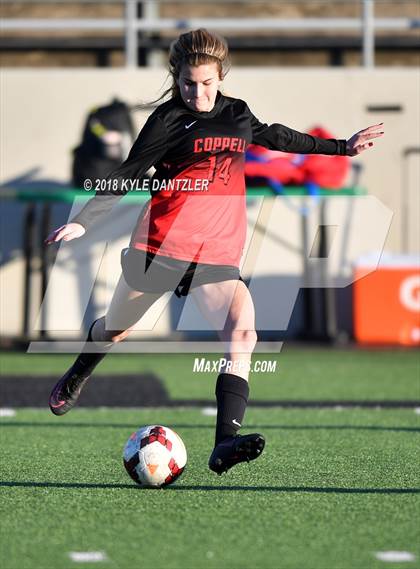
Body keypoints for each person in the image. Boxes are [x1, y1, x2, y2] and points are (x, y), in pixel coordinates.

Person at [45, 28, 384, 476]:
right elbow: (127, 174)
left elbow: (277, 137)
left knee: (244, 333)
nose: (198, 93)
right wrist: (83, 220)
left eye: (207, 83)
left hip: (216, 255)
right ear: (176, 77)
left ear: (221, 76)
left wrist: (341, 147)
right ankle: (80, 370)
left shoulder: (238, 114)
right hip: (161, 248)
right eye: (188, 83)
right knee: (115, 330)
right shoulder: (166, 121)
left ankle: (225, 441)